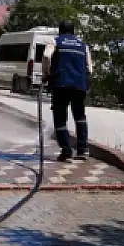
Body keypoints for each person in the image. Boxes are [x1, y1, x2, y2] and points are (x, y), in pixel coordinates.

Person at [41, 19, 93, 162]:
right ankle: (83, 149)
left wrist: (46, 74)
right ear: (73, 31)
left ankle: (66, 151)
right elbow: (89, 68)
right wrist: (85, 79)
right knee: (80, 117)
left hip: (60, 84)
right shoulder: (83, 45)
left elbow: (46, 56)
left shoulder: (56, 41)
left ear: (60, 30)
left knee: (60, 119)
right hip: (79, 86)